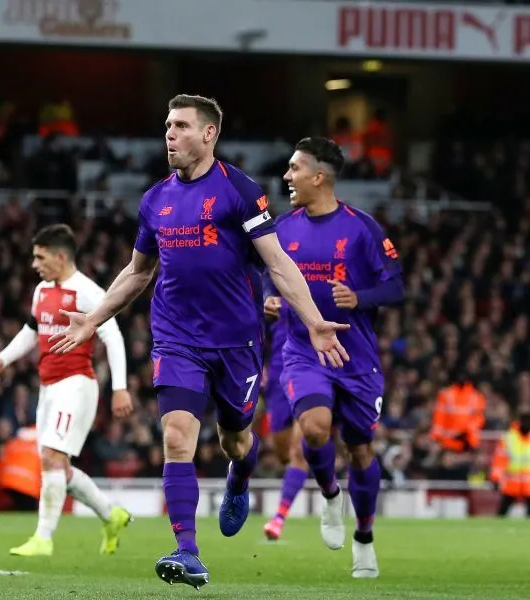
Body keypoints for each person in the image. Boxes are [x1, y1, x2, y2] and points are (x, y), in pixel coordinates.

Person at [49, 94, 350, 589]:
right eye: (168, 125)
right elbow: (138, 272)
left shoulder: (239, 191)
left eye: (182, 126)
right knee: (176, 436)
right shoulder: (155, 200)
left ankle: (239, 472)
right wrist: (94, 319)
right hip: (177, 338)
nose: (170, 134)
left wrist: (314, 321)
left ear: (209, 134)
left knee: (236, 439)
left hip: (235, 342)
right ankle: (187, 550)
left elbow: (277, 262)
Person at [275, 136, 404, 578]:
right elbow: (267, 275)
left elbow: (396, 286)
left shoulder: (363, 228)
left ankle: (364, 536)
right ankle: (331, 494)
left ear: (319, 177)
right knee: (314, 429)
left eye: (294, 169)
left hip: (356, 358)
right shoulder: (282, 228)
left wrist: (360, 297)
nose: (287, 176)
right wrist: (270, 299)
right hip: (304, 351)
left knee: (361, 451)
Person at [0, 223, 134, 557]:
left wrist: (120, 388)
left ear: (61, 257)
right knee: (58, 468)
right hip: (48, 388)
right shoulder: (41, 291)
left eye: (40, 257)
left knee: (52, 458)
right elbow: (31, 329)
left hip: (76, 384)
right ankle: (111, 516)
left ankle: (43, 538)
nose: (34, 264)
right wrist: (3, 358)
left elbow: (113, 336)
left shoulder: (87, 291)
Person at [260, 274, 310, 542]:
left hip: (313, 365)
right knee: (283, 452)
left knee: (298, 449)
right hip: (280, 368)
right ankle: (326, 480)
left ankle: (279, 518)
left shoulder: (325, 269)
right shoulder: (277, 266)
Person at [489, 412, 530, 517]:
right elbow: (499, 460)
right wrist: (495, 478)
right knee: (503, 510)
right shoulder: (509, 437)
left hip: (527, 483)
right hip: (512, 481)